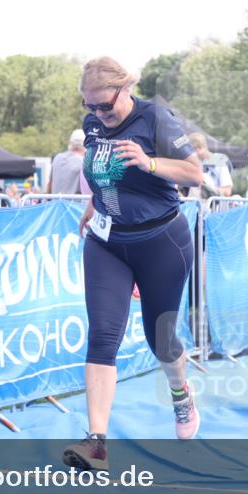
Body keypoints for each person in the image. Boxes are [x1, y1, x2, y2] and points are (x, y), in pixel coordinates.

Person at [62, 56, 203, 472]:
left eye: (106, 106)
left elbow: (195, 173)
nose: (99, 116)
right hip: (107, 242)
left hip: (161, 241)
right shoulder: (92, 126)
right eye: (91, 108)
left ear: (125, 90)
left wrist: (150, 162)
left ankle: (181, 394)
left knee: (160, 340)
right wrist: (95, 202)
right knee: (103, 336)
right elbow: (105, 172)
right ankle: (97, 445)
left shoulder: (155, 118)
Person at [185, 132, 233, 200]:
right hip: (194, 207)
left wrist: (211, 191)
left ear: (200, 147)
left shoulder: (218, 160)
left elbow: (227, 191)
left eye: (192, 150)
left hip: (215, 207)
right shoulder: (190, 163)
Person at [49, 129, 87, 194]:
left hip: (55, 202)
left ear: (70, 142)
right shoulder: (84, 163)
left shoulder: (57, 158)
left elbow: (50, 184)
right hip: (74, 203)